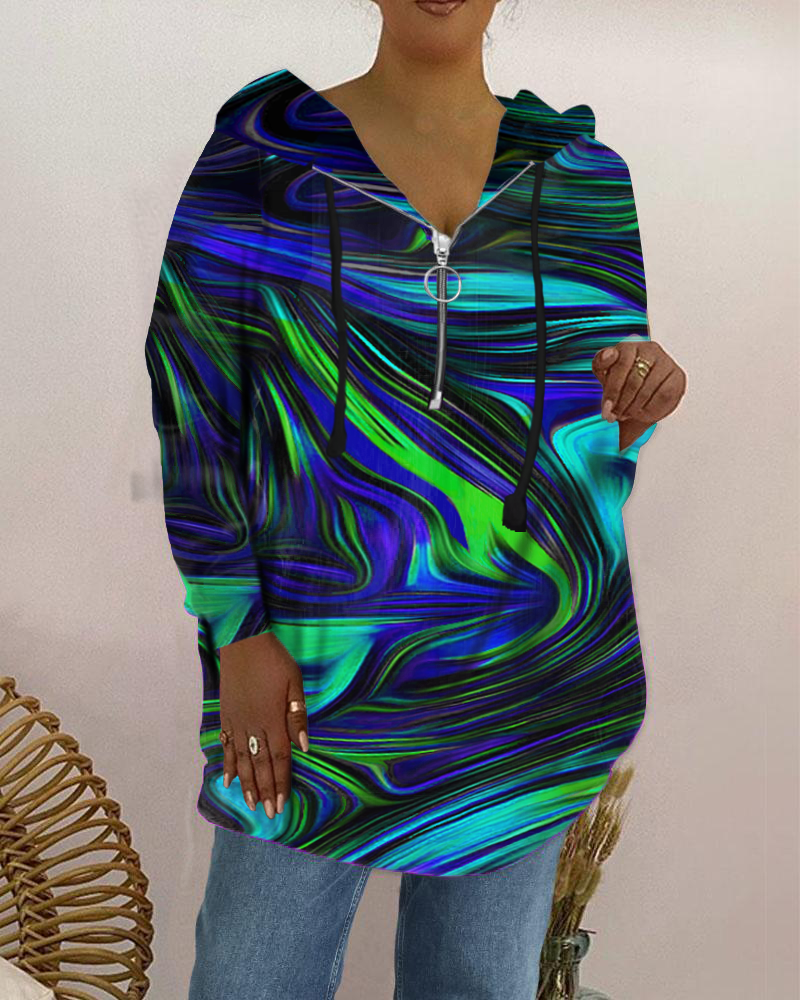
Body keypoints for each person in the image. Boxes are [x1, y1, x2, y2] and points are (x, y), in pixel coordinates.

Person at [144, 2, 686, 996]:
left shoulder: (586, 183)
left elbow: (582, 433)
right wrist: (238, 627)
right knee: (249, 978)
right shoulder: (259, 162)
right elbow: (196, 405)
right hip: (314, 678)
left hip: (521, 681)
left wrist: (639, 398)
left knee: (476, 983)